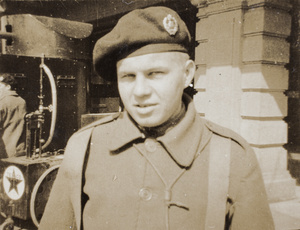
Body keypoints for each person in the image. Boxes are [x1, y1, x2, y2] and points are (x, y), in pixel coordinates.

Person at [39, 6, 275, 230]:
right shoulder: (85, 147)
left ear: (187, 74)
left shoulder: (232, 156)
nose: (140, 90)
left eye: (155, 74)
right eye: (128, 76)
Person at [0, 74, 27, 158]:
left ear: (8, 87)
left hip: (2, 153)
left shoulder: (2, 102)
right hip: (18, 152)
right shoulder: (22, 101)